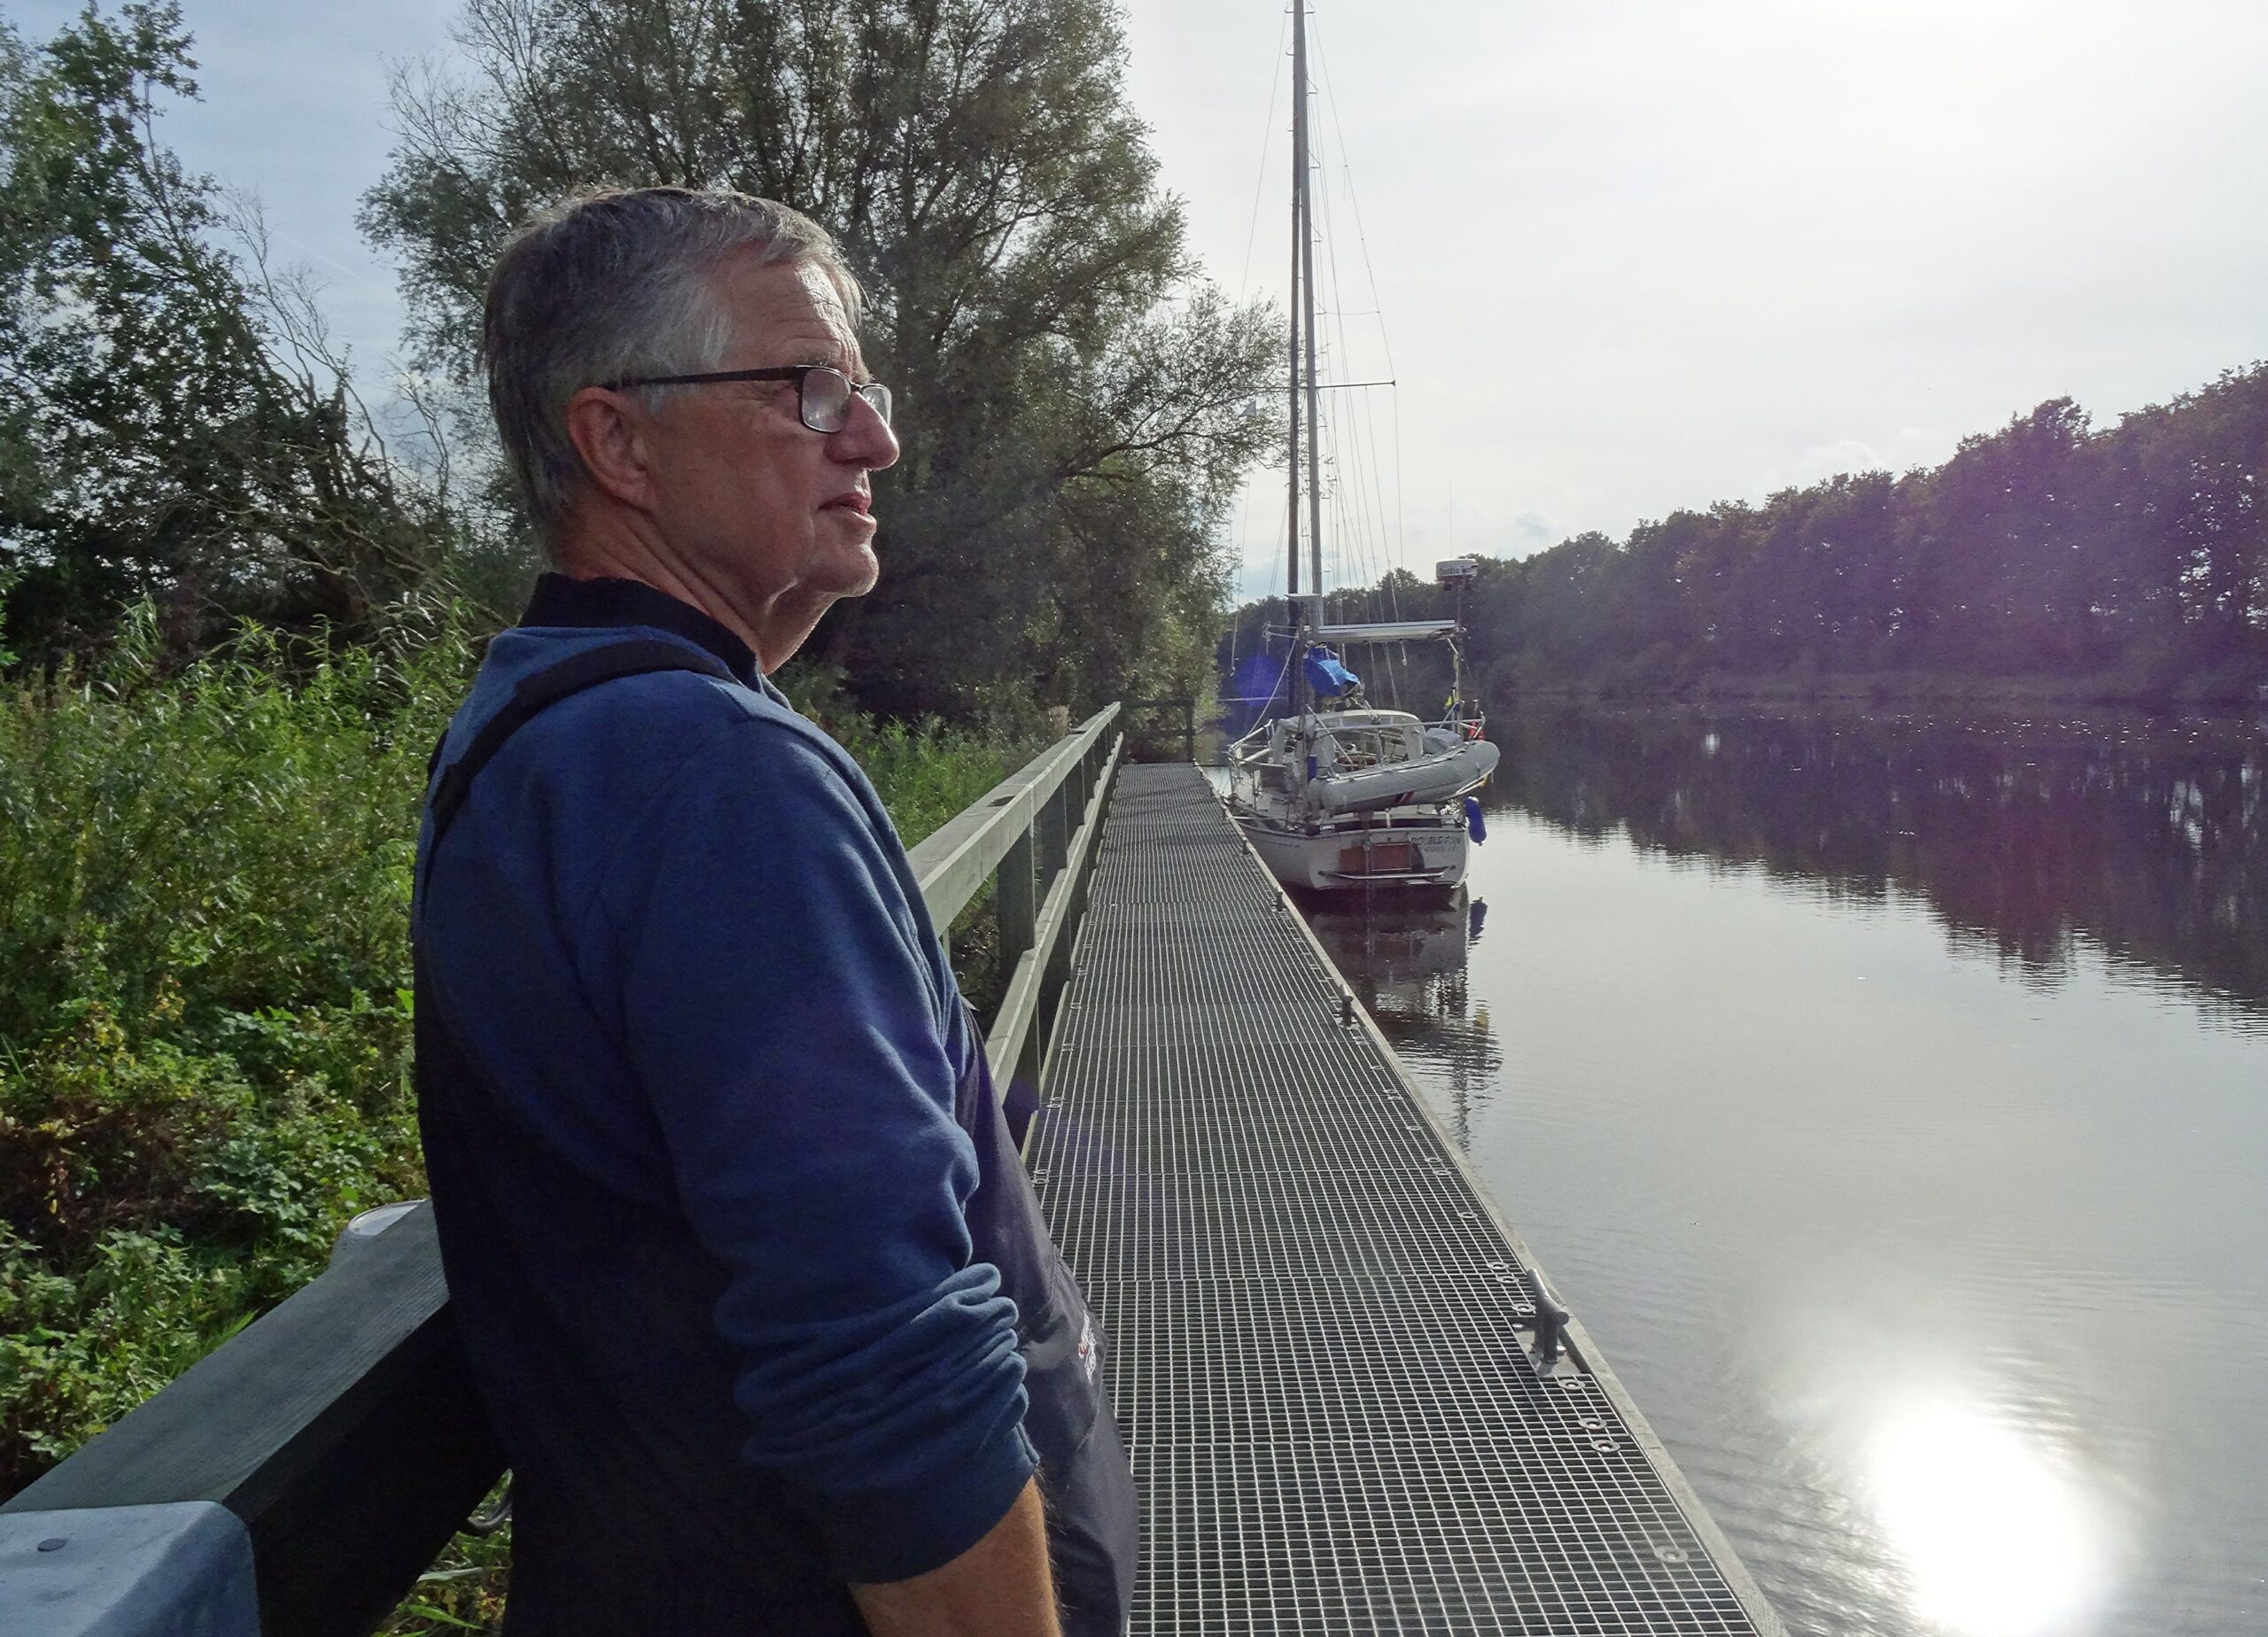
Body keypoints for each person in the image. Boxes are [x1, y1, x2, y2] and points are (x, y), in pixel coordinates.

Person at [411, 187, 1137, 1637]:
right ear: (619, 443)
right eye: (807, 389)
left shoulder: (546, 724)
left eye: (864, 391)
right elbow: (886, 1369)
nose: (872, 438)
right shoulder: (714, 778)